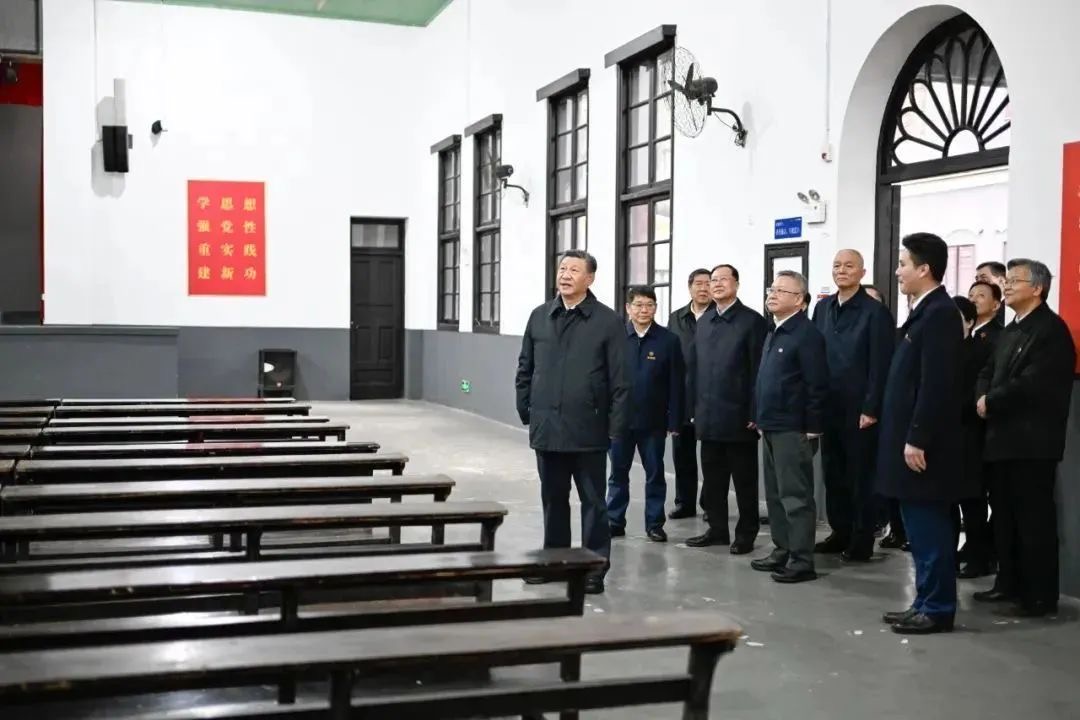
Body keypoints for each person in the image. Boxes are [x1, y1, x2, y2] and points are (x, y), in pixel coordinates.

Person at [514, 249, 629, 595]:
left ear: (589, 278)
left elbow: (621, 380)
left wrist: (615, 427)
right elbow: (525, 367)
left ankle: (593, 568)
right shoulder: (539, 316)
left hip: (588, 428)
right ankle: (555, 562)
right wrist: (527, 409)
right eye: (562, 268)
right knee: (553, 499)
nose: (565, 275)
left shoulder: (607, 321)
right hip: (547, 427)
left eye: (574, 270)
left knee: (593, 502)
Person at [974, 259, 1076, 617]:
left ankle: (1039, 596)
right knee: (1004, 519)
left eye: (1016, 280)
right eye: (1008, 280)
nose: (1008, 285)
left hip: (1032, 443)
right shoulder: (1010, 329)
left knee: (1033, 522)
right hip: (1000, 440)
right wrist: (981, 396)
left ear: (1038, 288)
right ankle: (1008, 583)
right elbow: (987, 370)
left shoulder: (1051, 331)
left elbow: (1034, 384)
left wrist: (992, 400)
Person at [877, 233, 964, 634]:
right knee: (919, 529)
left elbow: (936, 384)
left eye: (903, 264)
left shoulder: (940, 313)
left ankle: (938, 608)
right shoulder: (924, 311)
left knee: (931, 529)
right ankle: (924, 601)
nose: (898, 271)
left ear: (924, 269)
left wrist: (917, 437)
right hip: (910, 440)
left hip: (926, 447)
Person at [812, 249, 895, 562]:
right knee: (833, 473)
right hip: (828, 405)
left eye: (849, 266)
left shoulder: (875, 312)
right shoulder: (822, 308)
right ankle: (840, 531)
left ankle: (862, 538)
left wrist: (871, 407)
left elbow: (881, 364)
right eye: (837, 265)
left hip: (859, 409)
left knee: (860, 475)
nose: (841, 270)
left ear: (862, 272)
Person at [750, 271, 829, 583]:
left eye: (781, 291)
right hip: (770, 425)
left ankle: (801, 559)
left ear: (799, 300)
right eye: (771, 289)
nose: (772, 294)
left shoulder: (807, 335)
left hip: (793, 428)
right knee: (775, 495)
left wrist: (813, 426)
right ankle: (782, 549)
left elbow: (817, 384)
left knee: (796, 497)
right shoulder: (775, 330)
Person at [686, 264, 768, 553]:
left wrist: (755, 412)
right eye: (713, 280)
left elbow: (759, 371)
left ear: (737, 284)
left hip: (739, 417)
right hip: (708, 416)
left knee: (744, 481)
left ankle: (746, 533)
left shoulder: (752, 321)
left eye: (723, 279)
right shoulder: (705, 321)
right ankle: (717, 529)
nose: (717, 284)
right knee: (713, 480)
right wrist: (692, 408)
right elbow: (694, 369)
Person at [607, 286, 684, 542]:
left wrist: (674, 420)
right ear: (628, 308)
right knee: (618, 474)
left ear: (655, 308)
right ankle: (614, 520)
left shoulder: (668, 340)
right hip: (619, 421)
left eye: (649, 305)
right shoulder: (615, 338)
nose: (644, 310)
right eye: (638, 305)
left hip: (654, 422)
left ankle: (654, 524)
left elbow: (676, 383)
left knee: (655, 474)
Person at [955, 281, 1003, 577]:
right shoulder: (953, 347)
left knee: (974, 498)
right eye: (971, 294)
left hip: (976, 431)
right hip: (956, 434)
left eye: (981, 296)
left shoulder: (989, 344)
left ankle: (980, 556)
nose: (974, 299)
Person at [667, 269, 712, 519]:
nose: (703, 288)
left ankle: (710, 504)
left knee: (712, 456)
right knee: (682, 454)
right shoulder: (676, 318)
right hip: (682, 396)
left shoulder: (719, 316)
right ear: (690, 287)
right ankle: (684, 503)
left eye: (708, 283)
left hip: (711, 397)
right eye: (699, 284)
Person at [975, 261, 1007, 325]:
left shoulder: (1011, 309)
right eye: (977, 279)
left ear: (1001, 281)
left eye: (984, 279)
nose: (978, 283)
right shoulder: (976, 308)